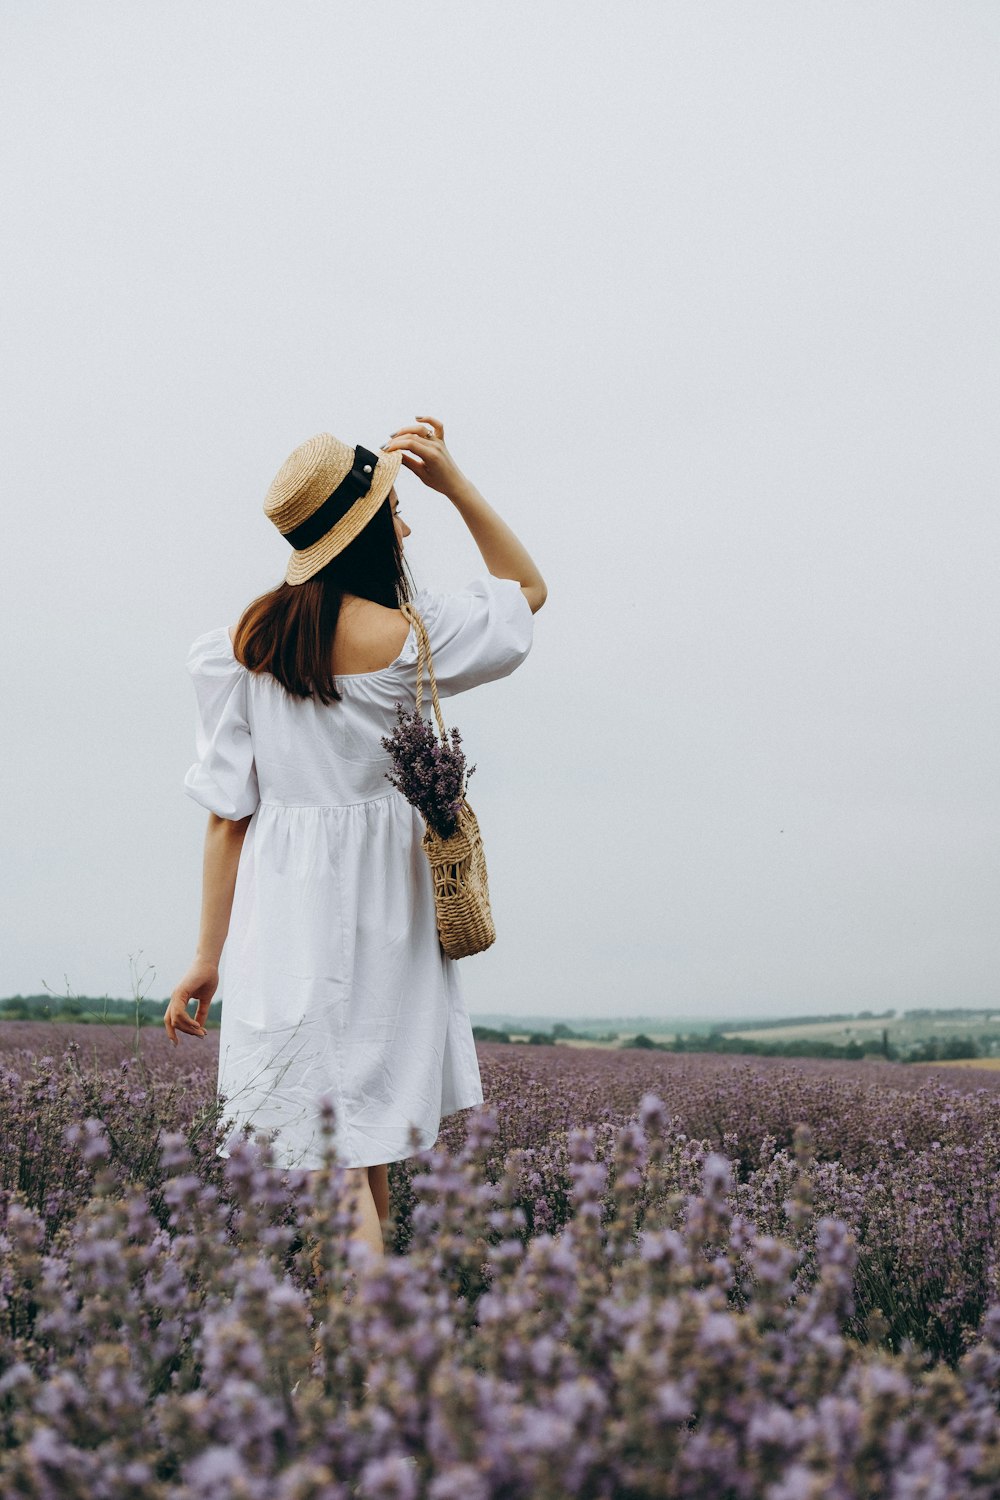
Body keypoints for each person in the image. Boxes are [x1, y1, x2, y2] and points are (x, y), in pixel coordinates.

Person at [164, 416, 546, 1258]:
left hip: (287, 906)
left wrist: (205, 954)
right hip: (393, 906)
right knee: (356, 1147)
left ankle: (355, 1361)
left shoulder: (247, 645)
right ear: (368, 532)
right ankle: (373, 1362)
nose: (406, 525)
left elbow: (228, 812)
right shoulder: (414, 633)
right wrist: (459, 486)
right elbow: (527, 592)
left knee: (335, 1153)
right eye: (398, 511)